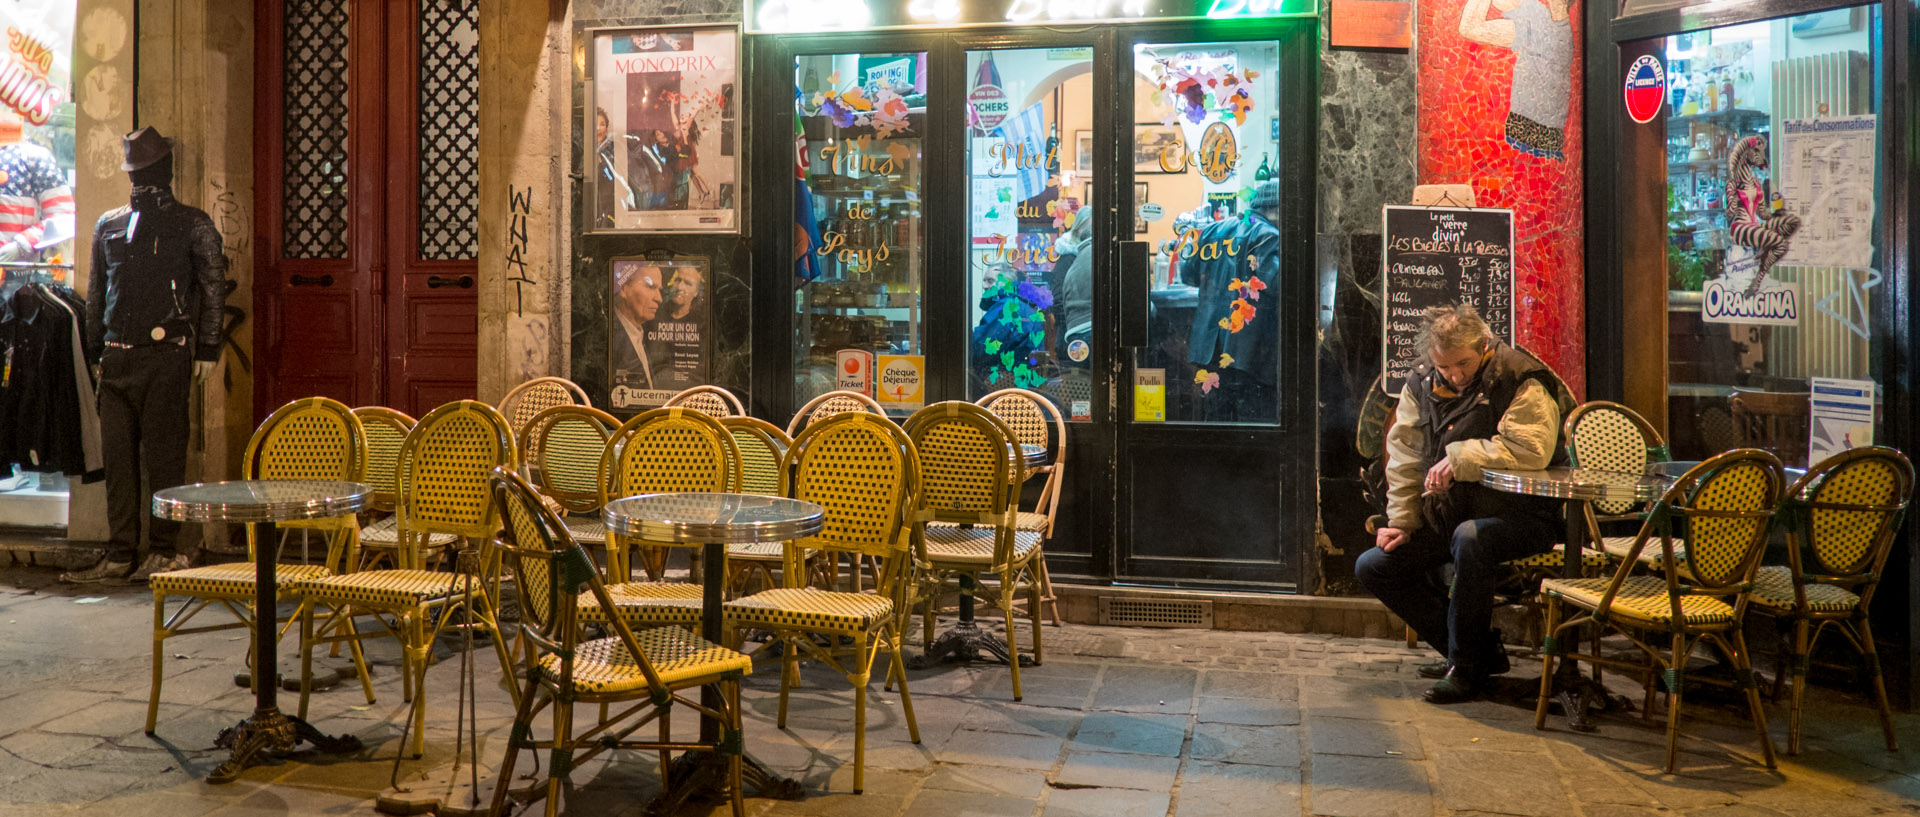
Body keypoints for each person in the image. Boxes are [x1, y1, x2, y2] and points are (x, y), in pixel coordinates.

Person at [1354, 304, 1565, 703]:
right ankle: (1472, 652)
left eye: (1463, 364)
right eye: (1444, 367)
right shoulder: (1420, 382)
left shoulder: (1520, 377)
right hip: (1451, 515)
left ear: (1484, 344)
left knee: (1471, 540)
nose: (1454, 375)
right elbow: (1405, 457)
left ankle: (1466, 669)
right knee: (1376, 566)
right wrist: (1402, 520)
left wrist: (1459, 457)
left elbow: (1531, 449)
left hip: (1520, 515)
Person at [65, 127, 229, 584]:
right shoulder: (110, 224)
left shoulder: (192, 224)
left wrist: (208, 347)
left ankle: (161, 548)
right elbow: (99, 292)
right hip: (120, 355)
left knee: (163, 458)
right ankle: (121, 552)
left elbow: (212, 288)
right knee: (119, 461)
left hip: (164, 354)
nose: (143, 180)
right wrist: (99, 349)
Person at [1182, 180, 1281, 421]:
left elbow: (1188, 274)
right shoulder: (1268, 235)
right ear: (1278, 209)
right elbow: (1276, 283)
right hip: (1247, 354)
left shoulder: (1213, 230)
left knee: (1216, 424)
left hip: (1208, 350)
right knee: (1250, 427)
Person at [1459, 0, 1575, 160]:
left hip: (1533, 145)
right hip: (1529, 137)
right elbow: (1506, 3)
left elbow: (1470, 27)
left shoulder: (1546, 33)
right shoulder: (1543, 17)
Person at [611, 262, 664, 390]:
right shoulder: (610, 335)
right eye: (650, 287)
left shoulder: (641, 334)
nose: (659, 298)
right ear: (623, 289)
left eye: (659, 290)